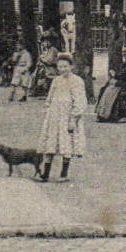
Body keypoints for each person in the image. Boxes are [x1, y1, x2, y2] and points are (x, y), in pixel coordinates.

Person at [36, 52, 86, 182]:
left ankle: (64, 173)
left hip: (67, 116)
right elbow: (51, 96)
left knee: (66, 143)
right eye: (60, 67)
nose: (63, 69)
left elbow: (80, 101)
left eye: (65, 66)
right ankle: (45, 173)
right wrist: (48, 107)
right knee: (50, 142)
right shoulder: (56, 80)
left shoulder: (77, 81)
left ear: (71, 67)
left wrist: (73, 118)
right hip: (54, 115)